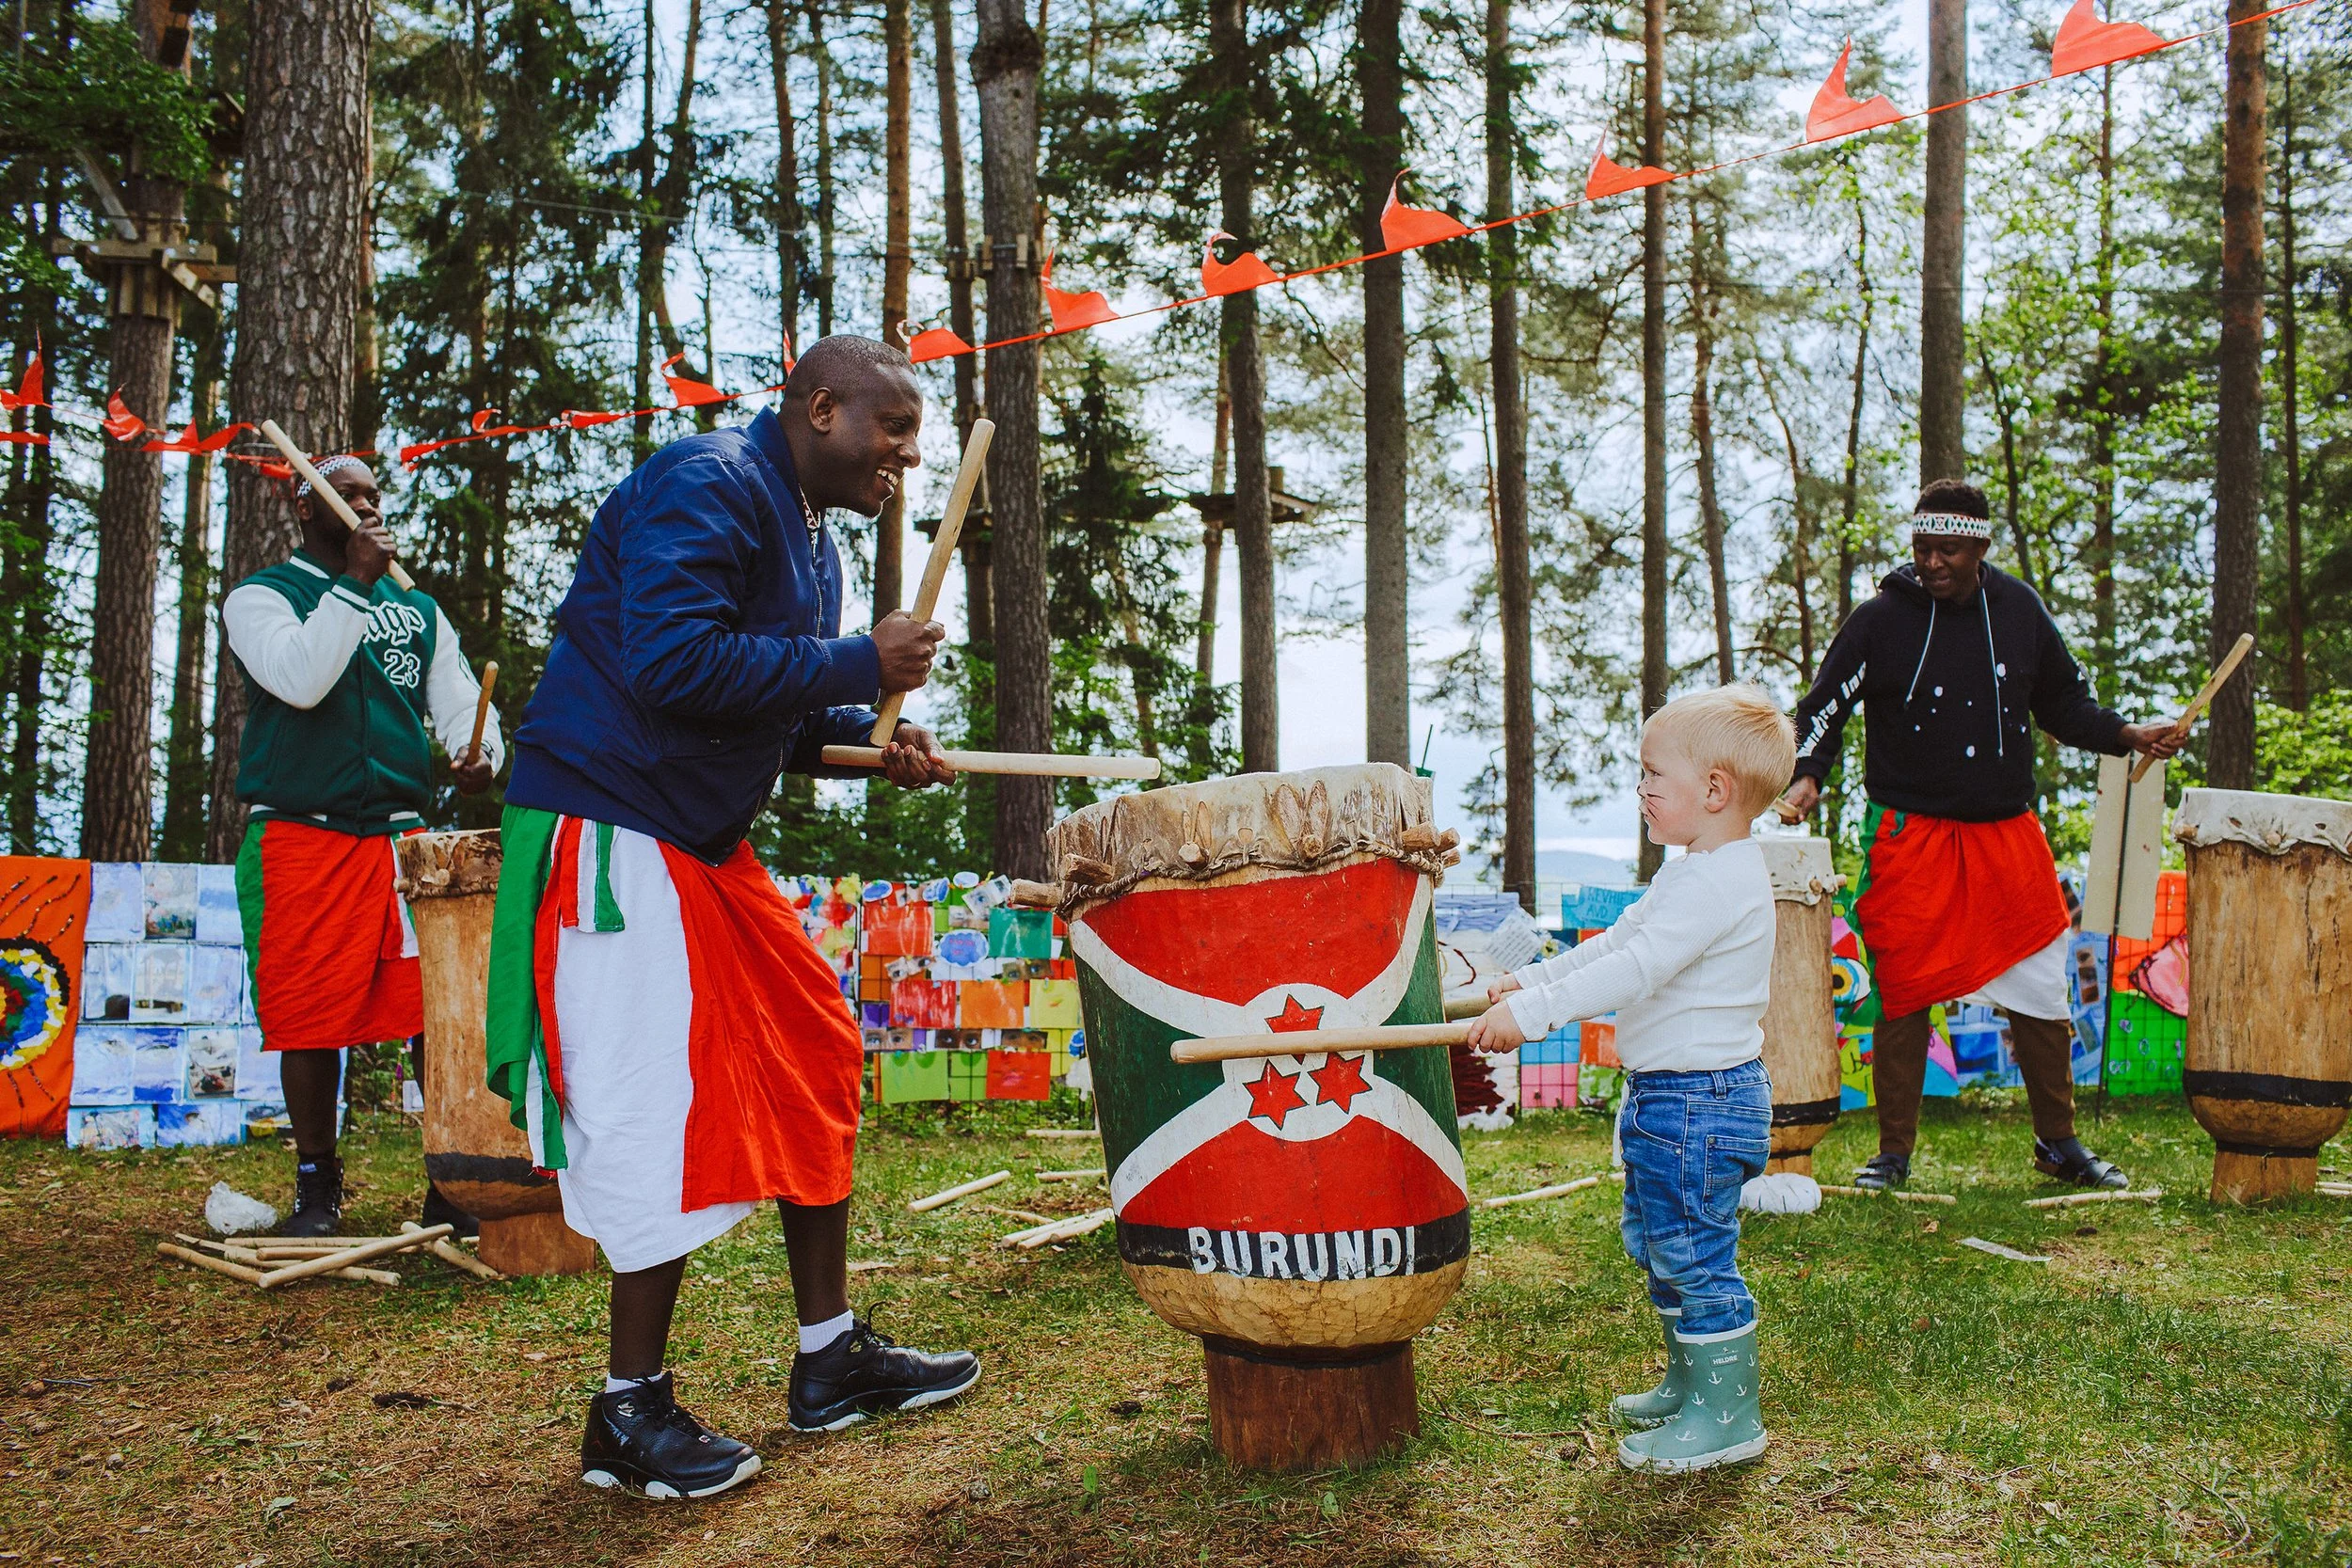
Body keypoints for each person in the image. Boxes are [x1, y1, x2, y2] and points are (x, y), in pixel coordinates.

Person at [486, 335, 977, 1502]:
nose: (908, 457)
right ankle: (627, 1409)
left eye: (916, 439)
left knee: (814, 1042)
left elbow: (773, 710)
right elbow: (671, 662)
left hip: (700, 835)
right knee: (656, 1096)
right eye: (894, 429)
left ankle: (829, 1357)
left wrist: (870, 739)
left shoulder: (812, 540)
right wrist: (855, 660)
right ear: (822, 407)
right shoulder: (706, 480)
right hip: (612, 820)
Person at [1779, 480, 2186, 1192]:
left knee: (2041, 981)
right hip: (1911, 833)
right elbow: (1825, 706)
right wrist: (1807, 773)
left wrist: (2126, 735)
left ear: (1980, 548)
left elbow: (2065, 702)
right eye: (1922, 548)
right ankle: (1893, 1154)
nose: (1932, 562)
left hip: (2006, 833)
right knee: (1905, 986)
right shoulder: (1879, 620)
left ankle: (2058, 1143)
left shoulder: (2019, 609)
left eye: (1948, 550)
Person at [1467, 684, 1794, 1474]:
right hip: (1675, 1100)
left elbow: (1638, 968)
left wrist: (1535, 1014)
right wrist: (1534, 979)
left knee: (1695, 1253)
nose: (1640, 788)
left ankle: (1729, 1414)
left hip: (1699, 1103)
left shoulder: (1716, 881)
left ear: (1714, 789)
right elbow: (1618, 941)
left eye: (1653, 773)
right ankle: (1691, 1383)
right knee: (1662, 1245)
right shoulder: (1694, 871)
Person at [223, 455, 501, 1237]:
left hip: (399, 839)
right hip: (299, 831)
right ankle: (318, 1185)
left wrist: (480, 753)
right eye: (346, 495)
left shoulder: (416, 609)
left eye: (374, 495)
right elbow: (301, 678)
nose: (367, 506)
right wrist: (353, 582)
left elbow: (460, 704)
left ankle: (451, 1180)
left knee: (432, 1010)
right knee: (308, 1013)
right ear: (304, 507)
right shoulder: (261, 597)